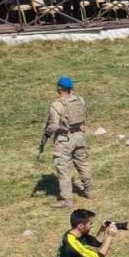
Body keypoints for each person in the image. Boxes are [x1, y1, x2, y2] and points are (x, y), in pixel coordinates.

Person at [42, 76, 93, 209]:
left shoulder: (57, 105)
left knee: (63, 169)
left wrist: (47, 133)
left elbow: (53, 125)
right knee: (83, 164)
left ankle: (67, 200)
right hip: (80, 136)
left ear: (59, 88)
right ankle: (88, 191)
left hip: (64, 140)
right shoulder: (80, 100)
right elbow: (85, 115)